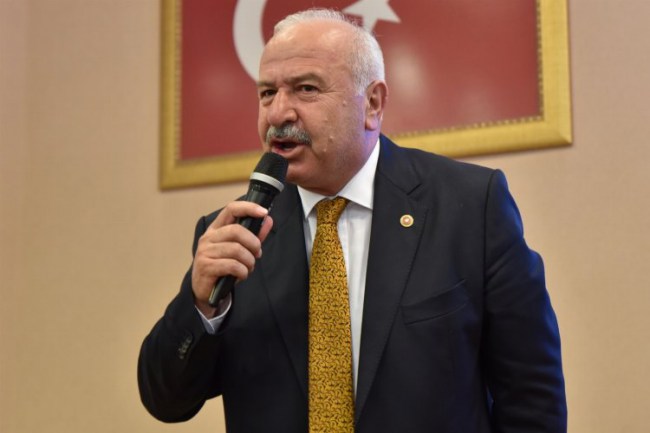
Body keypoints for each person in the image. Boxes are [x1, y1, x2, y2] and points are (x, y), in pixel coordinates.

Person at [138, 8, 567, 433]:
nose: (278, 114)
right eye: (267, 93)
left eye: (306, 89)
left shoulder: (470, 207)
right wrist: (201, 305)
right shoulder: (236, 234)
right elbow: (167, 401)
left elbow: (531, 397)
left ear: (372, 103)